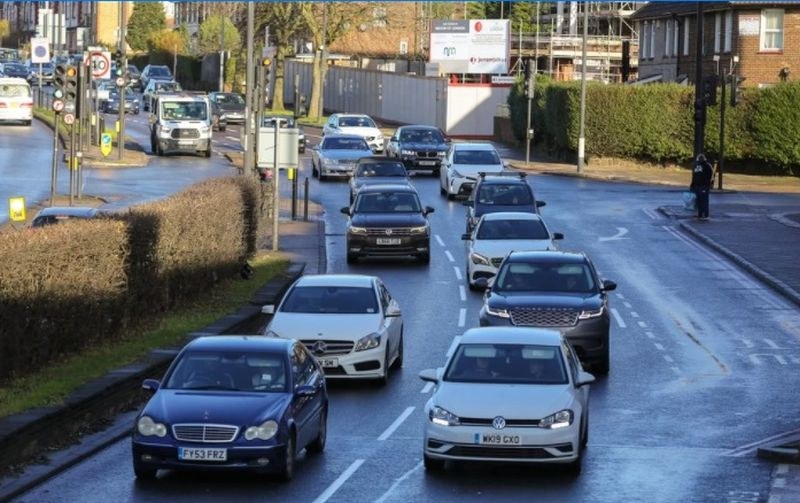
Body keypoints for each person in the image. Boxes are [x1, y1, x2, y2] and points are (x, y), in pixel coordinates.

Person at [690, 153, 714, 220]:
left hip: (704, 186)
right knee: (699, 201)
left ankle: (705, 215)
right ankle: (700, 214)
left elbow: (711, 176)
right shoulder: (697, 166)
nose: (699, 160)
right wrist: (692, 185)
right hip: (698, 186)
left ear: (703, 159)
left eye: (701, 158)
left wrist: (708, 184)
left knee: (704, 201)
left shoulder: (707, 166)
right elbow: (694, 176)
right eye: (699, 158)